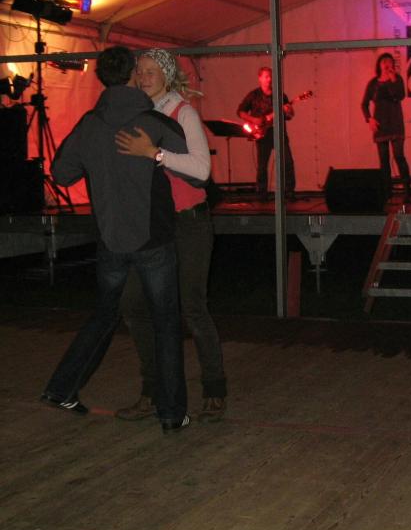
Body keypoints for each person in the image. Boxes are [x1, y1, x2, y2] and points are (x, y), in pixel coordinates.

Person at [40, 46, 190, 434]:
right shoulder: (153, 121)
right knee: (166, 323)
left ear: (101, 78)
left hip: (110, 239)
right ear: (132, 76)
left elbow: (61, 174)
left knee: (104, 315)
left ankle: (61, 388)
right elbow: (193, 168)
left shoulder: (90, 124)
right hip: (153, 239)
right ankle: (172, 413)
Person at [114, 48, 227, 424]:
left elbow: (202, 170)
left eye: (151, 71)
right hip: (151, 227)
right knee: (133, 302)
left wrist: (155, 153)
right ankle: (152, 390)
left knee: (191, 306)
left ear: (166, 75)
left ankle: (214, 390)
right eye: (140, 71)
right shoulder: (135, 114)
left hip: (188, 224)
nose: (144, 77)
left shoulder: (183, 113)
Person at [237, 66, 296, 200]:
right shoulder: (253, 95)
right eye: (266, 77)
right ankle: (262, 193)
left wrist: (289, 111)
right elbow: (240, 111)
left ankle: (289, 192)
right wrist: (254, 120)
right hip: (262, 134)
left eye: (271, 76)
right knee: (262, 165)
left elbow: (289, 116)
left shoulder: (280, 95)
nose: (269, 79)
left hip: (279, 133)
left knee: (287, 162)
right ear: (260, 78)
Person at [361, 53, 411, 203]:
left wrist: (393, 79)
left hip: (395, 123)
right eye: (384, 61)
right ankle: (387, 193)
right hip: (380, 124)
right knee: (384, 160)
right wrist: (369, 119)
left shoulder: (397, 79)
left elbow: (400, 96)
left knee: (399, 156)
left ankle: (407, 192)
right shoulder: (373, 83)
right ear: (379, 64)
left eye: (389, 61)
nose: (387, 63)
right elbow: (364, 104)